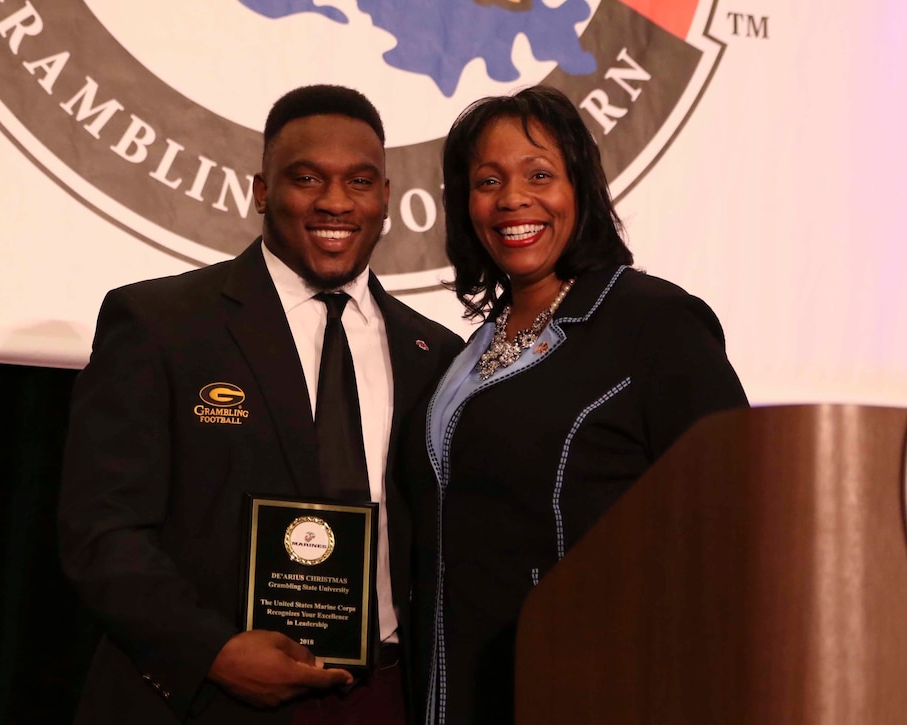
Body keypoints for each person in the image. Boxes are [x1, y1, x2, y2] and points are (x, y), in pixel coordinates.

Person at [58, 85, 463, 724]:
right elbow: (101, 533)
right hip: (209, 697)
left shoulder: (434, 353)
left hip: (383, 698)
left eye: (359, 181)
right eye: (306, 178)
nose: (335, 202)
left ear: (386, 197)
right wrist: (211, 651)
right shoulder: (162, 324)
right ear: (260, 191)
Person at [399, 86, 749, 724]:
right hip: (454, 693)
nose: (513, 199)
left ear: (581, 189)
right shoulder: (465, 353)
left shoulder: (656, 326)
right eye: (487, 180)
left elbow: (736, 523)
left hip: (591, 690)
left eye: (539, 174)